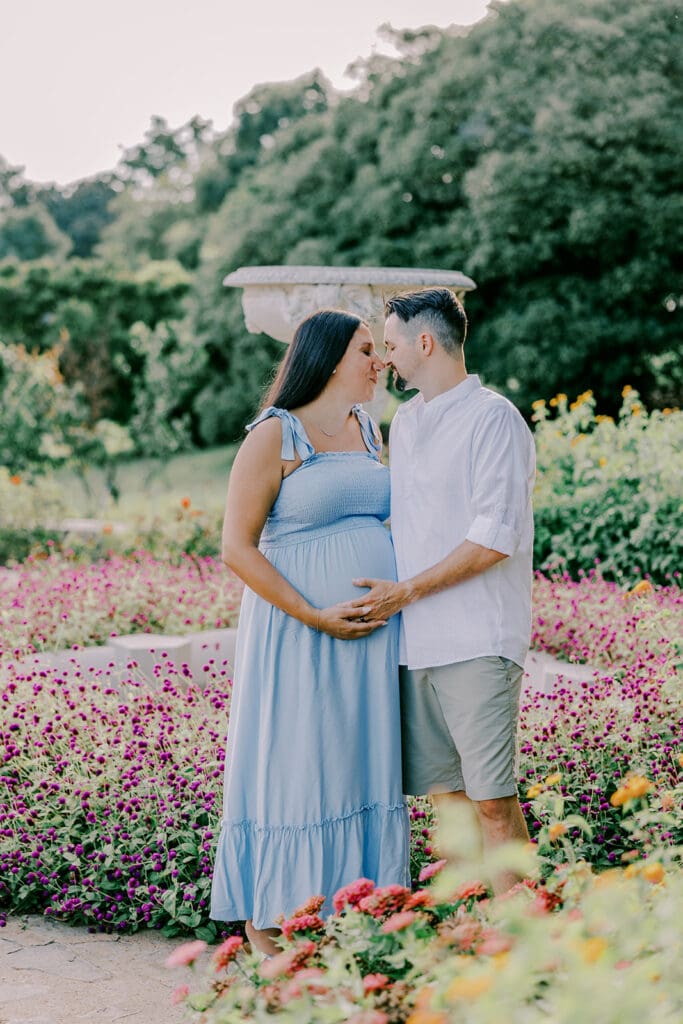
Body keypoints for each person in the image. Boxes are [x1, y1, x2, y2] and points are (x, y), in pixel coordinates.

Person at [210, 309, 410, 955]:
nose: (378, 360)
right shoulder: (273, 435)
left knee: (356, 766)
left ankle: (352, 916)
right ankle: (271, 926)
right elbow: (237, 549)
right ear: (326, 359)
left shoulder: (367, 427)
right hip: (298, 634)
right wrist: (314, 613)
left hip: (370, 642)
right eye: (364, 350)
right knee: (299, 766)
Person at [349, 287, 535, 894]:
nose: (386, 358)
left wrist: (405, 591)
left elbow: (494, 538)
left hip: (478, 638)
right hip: (416, 645)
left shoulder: (494, 418)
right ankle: (473, 947)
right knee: (450, 807)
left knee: (491, 804)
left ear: (424, 342)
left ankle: (529, 951)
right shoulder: (407, 421)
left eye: (392, 344)